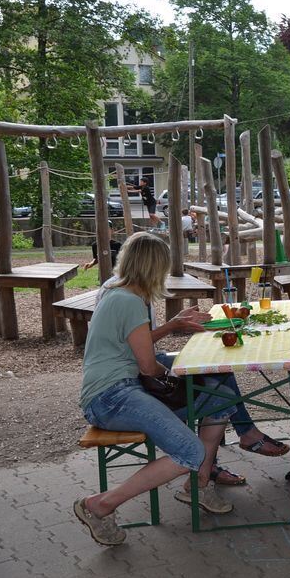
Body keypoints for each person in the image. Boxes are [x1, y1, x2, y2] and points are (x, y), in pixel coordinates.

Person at [75, 232, 239, 545]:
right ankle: (100, 505)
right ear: (155, 268)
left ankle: (199, 485)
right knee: (190, 450)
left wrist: (173, 328)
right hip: (110, 398)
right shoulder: (129, 301)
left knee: (223, 400)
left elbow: (136, 347)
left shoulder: (115, 290)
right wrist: (179, 374)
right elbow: (149, 367)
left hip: (121, 390)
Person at [95, 261, 289, 487]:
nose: (165, 274)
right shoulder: (126, 298)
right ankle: (210, 461)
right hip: (125, 381)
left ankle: (232, 445)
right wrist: (173, 370)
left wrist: (173, 325)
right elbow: (143, 359)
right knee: (210, 392)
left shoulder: (125, 289)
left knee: (214, 367)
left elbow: (136, 342)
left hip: (131, 369)